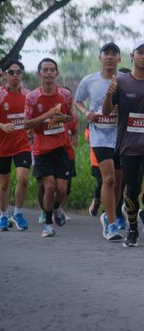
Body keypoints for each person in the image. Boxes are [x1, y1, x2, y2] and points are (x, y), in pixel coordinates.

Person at [102, 39, 144, 248]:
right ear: (132, 55)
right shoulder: (121, 82)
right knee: (132, 188)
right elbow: (106, 111)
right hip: (128, 146)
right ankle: (132, 230)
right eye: (141, 52)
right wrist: (109, 94)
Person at [75, 42, 126, 241]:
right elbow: (78, 101)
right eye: (106, 53)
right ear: (100, 57)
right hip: (99, 135)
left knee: (119, 180)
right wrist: (85, 112)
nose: (110, 57)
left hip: (119, 135)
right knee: (109, 179)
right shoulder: (89, 80)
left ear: (119, 59)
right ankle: (112, 225)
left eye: (114, 54)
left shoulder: (125, 81)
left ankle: (109, 214)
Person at [24, 58, 75, 238]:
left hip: (61, 147)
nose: (48, 73)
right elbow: (26, 124)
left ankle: (56, 209)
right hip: (42, 149)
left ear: (56, 73)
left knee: (62, 189)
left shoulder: (65, 95)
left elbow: (70, 118)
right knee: (50, 186)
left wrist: (62, 118)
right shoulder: (32, 97)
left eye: (52, 70)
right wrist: (47, 115)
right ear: (39, 74)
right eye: (45, 70)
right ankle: (47, 224)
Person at [0, 59, 31, 231]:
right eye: (11, 72)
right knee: (4, 184)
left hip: (22, 145)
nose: (15, 75)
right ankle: (3, 215)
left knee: (23, 178)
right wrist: (2, 126)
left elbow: (34, 116)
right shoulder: (1, 94)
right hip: (2, 145)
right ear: (5, 75)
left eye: (18, 72)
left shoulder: (28, 95)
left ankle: (17, 213)